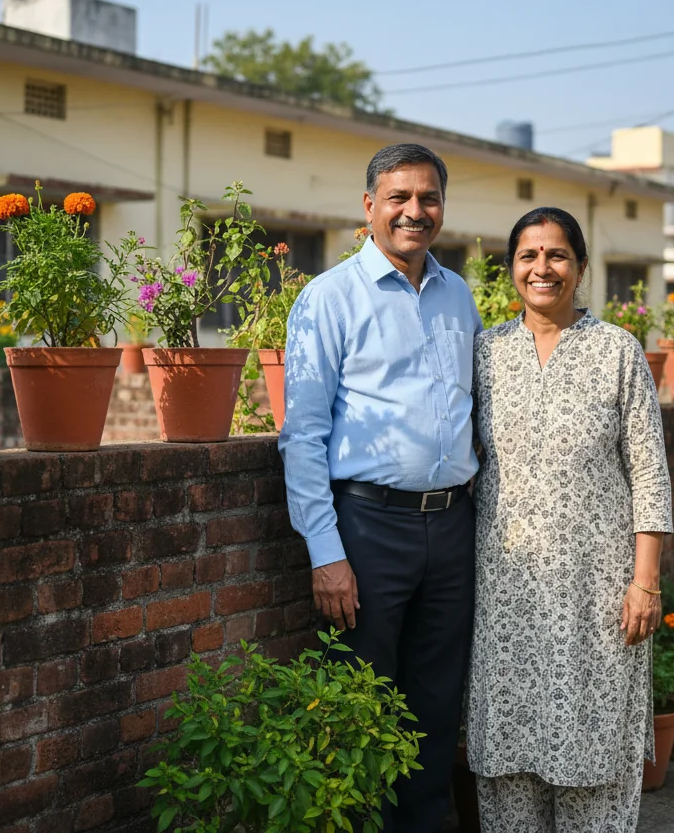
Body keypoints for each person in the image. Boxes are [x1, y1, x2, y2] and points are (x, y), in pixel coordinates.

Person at [279, 142, 482, 833]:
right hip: (368, 530)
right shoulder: (327, 298)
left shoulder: (459, 294)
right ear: (369, 206)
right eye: (399, 198)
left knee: (435, 703)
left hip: (453, 527)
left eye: (427, 198)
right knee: (362, 706)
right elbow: (302, 435)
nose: (414, 212)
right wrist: (325, 553)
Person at [466, 206, 674, 833]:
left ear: (581, 268)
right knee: (509, 761)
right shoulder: (486, 352)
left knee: (592, 754)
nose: (543, 268)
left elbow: (650, 474)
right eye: (528, 256)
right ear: (511, 271)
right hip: (507, 594)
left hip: (598, 596)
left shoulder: (617, 351)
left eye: (557, 255)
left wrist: (645, 582)